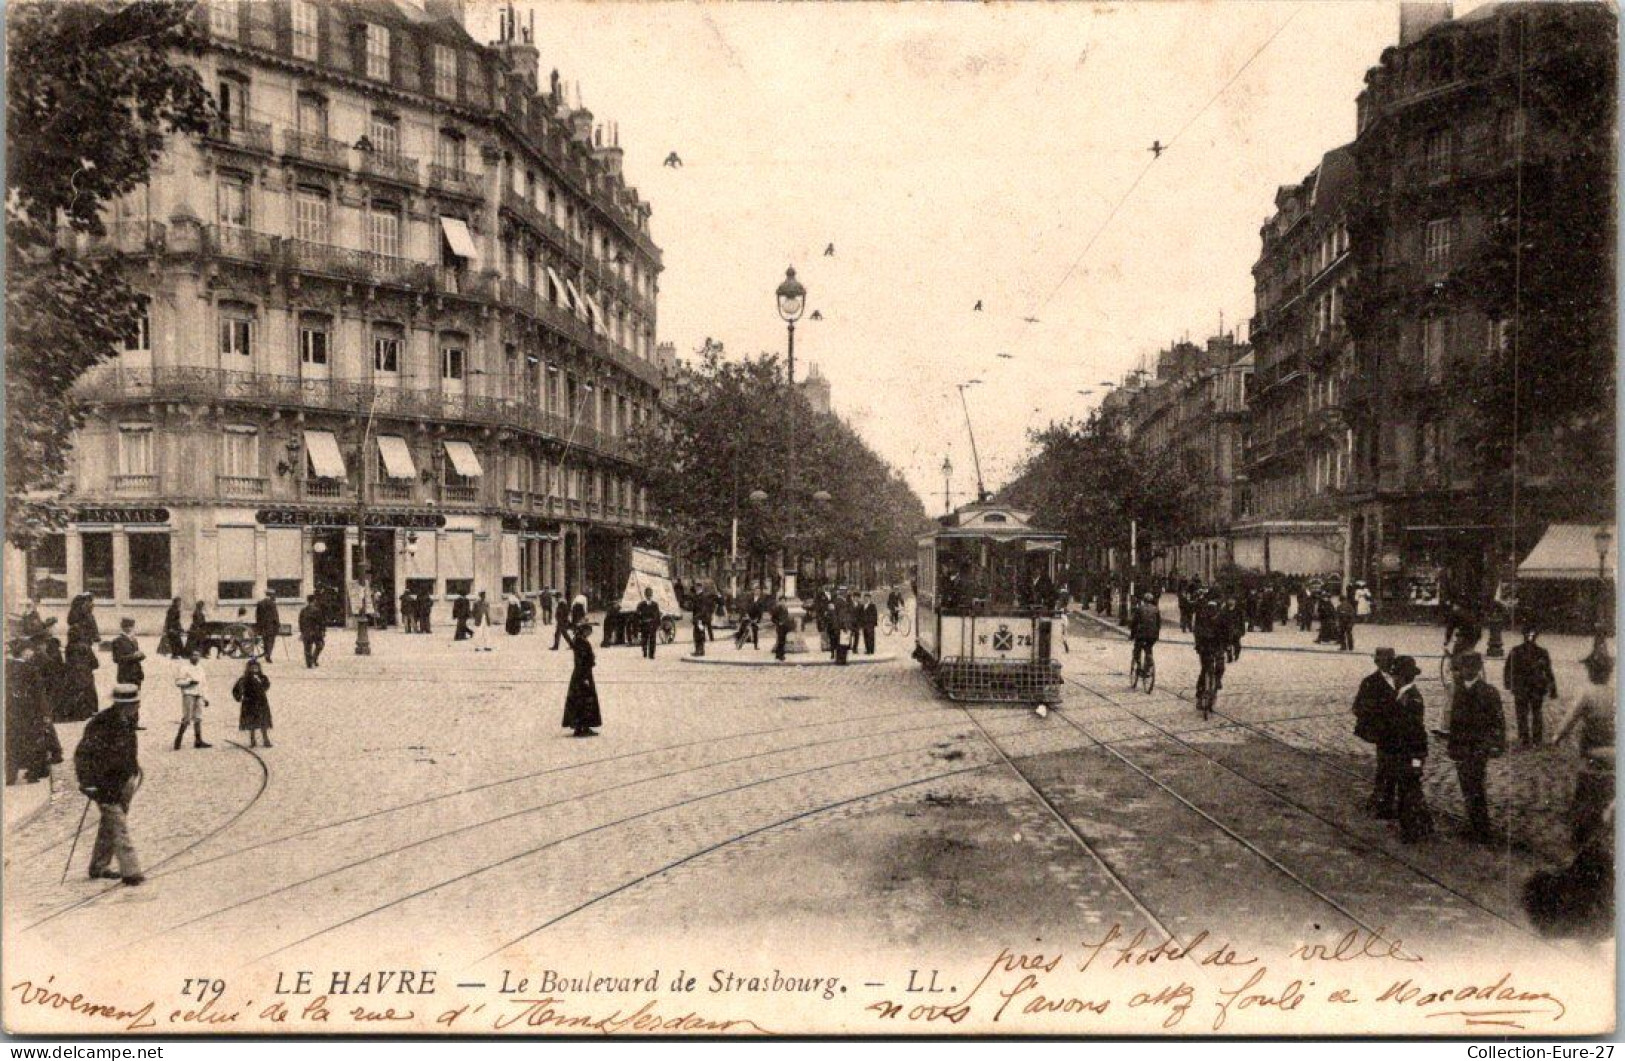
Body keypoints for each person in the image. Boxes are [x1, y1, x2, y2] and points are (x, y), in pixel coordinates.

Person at [74, 683, 145, 885]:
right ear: (124, 704)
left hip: (123, 782)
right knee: (118, 825)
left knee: (109, 825)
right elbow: (83, 755)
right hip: (104, 785)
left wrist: (133, 768)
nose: (138, 706)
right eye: (135, 703)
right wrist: (87, 783)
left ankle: (99, 866)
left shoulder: (126, 720)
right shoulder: (101, 724)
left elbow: (126, 750)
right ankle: (131, 872)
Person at [1444, 652, 1507, 844]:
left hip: (1479, 747)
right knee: (1466, 785)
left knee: (1476, 786)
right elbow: (1452, 720)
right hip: (1462, 746)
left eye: (1471, 667)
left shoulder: (1489, 692)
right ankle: (1474, 823)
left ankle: (1481, 828)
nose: (1467, 671)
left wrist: (1496, 744)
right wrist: (1452, 744)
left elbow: (1498, 721)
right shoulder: (1457, 690)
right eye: (1464, 668)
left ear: (1478, 669)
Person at [1386, 656, 1433, 841]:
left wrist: (1416, 760)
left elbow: (1414, 732)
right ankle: (1419, 826)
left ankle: (1413, 829)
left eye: (1396, 676)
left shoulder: (1412, 698)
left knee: (1409, 789)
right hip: (1405, 752)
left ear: (1403, 677)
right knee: (1408, 788)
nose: (1394, 679)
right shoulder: (1403, 694)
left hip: (1412, 753)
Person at [1353, 647, 1399, 817]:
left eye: (1390, 659)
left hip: (1398, 732)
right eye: (1383, 660)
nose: (1388, 663)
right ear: (1377, 662)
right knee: (1385, 767)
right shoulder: (1370, 681)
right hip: (1383, 733)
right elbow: (1358, 707)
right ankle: (1382, 802)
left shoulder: (1400, 678)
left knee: (1393, 767)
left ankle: (1384, 799)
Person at [6, 639, 51, 785]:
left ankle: (11, 775)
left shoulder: (7, 667)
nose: (32, 653)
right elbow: (39, 694)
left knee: (12, 742)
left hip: (11, 711)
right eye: (30, 650)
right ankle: (32, 774)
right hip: (30, 711)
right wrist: (45, 713)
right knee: (32, 741)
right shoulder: (31, 670)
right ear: (25, 652)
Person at [1504, 626, 1558, 746]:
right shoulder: (1515, 651)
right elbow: (1508, 669)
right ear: (1524, 636)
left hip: (1536, 687)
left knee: (1536, 712)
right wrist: (1509, 684)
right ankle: (1524, 737)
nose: (1530, 638)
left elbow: (1548, 671)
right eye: (1528, 636)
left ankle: (1536, 738)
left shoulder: (1542, 652)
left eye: (1532, 636)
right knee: (1522, 713)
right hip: (1521, 687)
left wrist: (1553, 688)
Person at [560, 622, 601, 737]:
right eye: (589, 631)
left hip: (579, 674)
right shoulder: (581, 642)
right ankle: (584, 727)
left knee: (578, 701)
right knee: (585, 701)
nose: (590, 633)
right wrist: (585, 677)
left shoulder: (578, 641)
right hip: (583, 674)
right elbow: (582, 660)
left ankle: (579, 726)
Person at [1192, 593, 1227, 709]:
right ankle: (1200, 695)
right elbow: (1197, 632)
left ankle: (1216, 682)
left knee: (1219, 666)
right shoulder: (1203, 617)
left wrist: (1227, 645)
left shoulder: (1221, 618)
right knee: (1205, 670)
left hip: (1215, 646)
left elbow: (1226, 633)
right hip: (1206, 647)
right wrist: (1198, 645)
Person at [172, 649, 212, 750]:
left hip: (199, 694)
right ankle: (178, 740)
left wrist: (206, 697)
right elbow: (178, 682)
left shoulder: (201, 669)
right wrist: (189, 682)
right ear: (190, 656)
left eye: (198, 655)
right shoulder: (184, 668)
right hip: (189, 694)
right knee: (187, 717)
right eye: (194, 655)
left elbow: (204, 684)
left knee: (198, 717)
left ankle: (198, 740)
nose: (196, 657)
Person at [60, 632, 100, 723]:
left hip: (72, 674)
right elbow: (95, 663)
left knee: (75, 693)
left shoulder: (68, 648)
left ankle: (75, 713)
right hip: (85, 674)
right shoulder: (85, 646)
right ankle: (88, 712)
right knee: (88, 692)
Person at [233, 658, 273, 748]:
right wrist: (239, 696)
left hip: (261, 702)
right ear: (248, 668)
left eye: (256, 667)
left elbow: (266, 685)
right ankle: (252, 740)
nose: (254, 669)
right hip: (249, 703)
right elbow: (236, 689)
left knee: (263, 722)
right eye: (252, 667)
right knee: (251, 723)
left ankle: (266, 739)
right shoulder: (244, 679)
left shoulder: (262, 677)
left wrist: (262, 684)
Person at [1129, 592, 1161, 681]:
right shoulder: (1156, 609)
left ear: (1144, 600)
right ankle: (1148, 666)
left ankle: (1138, 665)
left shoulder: (1139, 609)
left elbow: (1134, 623)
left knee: (1137, 649)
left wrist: (1132, 635)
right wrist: (1156, 636)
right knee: (1148, 649)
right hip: (1152, 635)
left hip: (1141, 635)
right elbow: (1158, 624)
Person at [110, 618, 145, 695]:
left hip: (136, 674)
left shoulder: (134, 640)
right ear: (122, 627)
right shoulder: (117, 641)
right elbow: (117, 659)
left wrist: (141, 655)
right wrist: (134, 656)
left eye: (131, 626)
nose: (129, 628)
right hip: (125, 675)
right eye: (126, 626)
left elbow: (138, 654)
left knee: (136, 698)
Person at [298, 594, 325, 669]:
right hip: (315, 632)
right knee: (320, 645)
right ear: (314, 600)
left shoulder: (303, 610)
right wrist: (323, 631)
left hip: (306, 632)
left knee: (307, 648)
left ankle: (309, 663)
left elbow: (300, 622)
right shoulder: (317, 610)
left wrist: (302, 631)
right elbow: (321, 622)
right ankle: (314, 659)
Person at [254, 591, 281, 663]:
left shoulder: (260, 603)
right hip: (271, 625)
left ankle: (266, 653)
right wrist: (278, 624)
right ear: (271, 595)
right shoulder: (272, 604)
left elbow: (257, 615)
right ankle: (268, 655)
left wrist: (258, 625)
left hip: (262, 626)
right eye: (274, 595)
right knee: (271, 641)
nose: (275, 597)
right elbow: (275, 615)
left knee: (265, 640)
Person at [635, 588, 662, 659]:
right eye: (648, 595)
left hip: (652, 624)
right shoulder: (641, 605)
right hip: (644, 624)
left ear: (652, 595)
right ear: (645, 595)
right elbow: (637, 614)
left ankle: (651, 654)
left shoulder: (655, 604)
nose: (649, 596)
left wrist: (658, 624)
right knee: (644, 639)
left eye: (650, 595)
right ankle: (645, 652)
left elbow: (657, 615)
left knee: (653, 639)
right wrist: (640, 622)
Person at [771, 595, 793, 661]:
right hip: (780, 627)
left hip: (785, 627)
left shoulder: (785, 608)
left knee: (783, 641)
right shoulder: (777, 608)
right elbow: (773, 618)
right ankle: (779, 655)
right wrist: (778, 623)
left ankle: (780, 655)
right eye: (782, 601)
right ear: (779, 601)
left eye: (784, 601)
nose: (783, 602)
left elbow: (786, 617)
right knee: (780, 641)